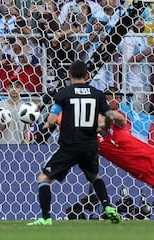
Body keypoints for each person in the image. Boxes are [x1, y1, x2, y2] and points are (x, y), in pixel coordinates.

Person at [27, 60, 125, 226]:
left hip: (69, 146)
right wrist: (103, 129)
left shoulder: (63, 94)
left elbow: (51, 120)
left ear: (68, 75)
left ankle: (45, 218)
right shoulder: (98, 94)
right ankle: (108, 206)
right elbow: (110, 116)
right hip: (89, 144)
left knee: (44, 178)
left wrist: (44, 125)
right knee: (94, 177)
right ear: (87, 76)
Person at [0, 76, 30, 144]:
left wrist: (26, 144)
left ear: (22, 88)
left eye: (17, 87)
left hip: (18, 148)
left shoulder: (25, 108)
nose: (14, 89)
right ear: (7, 88)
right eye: (11, 86)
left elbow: (25, 131)